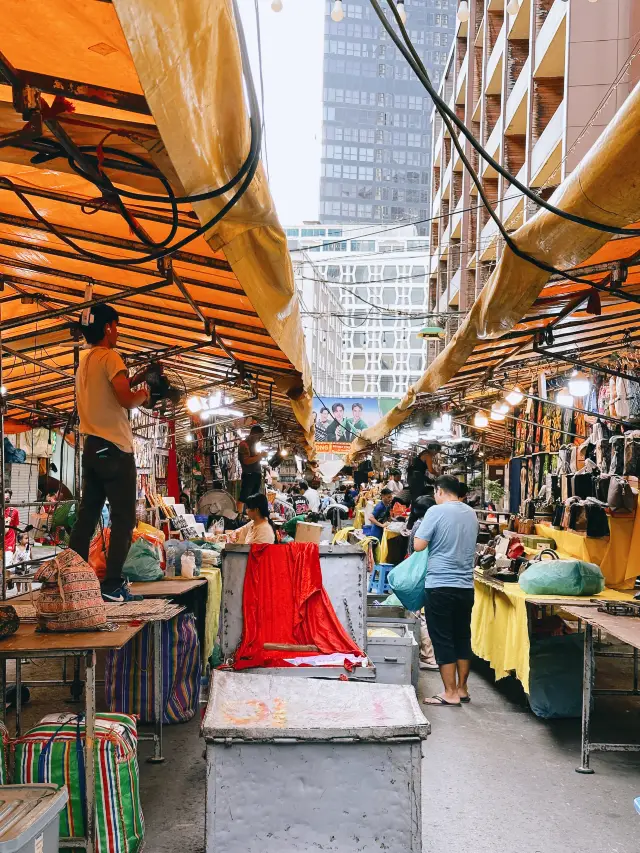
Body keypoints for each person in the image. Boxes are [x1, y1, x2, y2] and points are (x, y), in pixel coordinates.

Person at [68, 304, 149, 602]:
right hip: (114, 449)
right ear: (107, 328)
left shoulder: (83, 364)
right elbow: (125, 397)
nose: (117, 332)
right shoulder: (110, 357)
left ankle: (72, 580)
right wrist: (143, 395)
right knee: (124, 518)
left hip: (91, 448)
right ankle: (113, 584)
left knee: (87, 517)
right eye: (116, 326)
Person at [414, 475, 479, 707]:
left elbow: (418, 545)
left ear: (439, 491)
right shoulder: (471, 513)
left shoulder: (435, 511)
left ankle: (449, 693)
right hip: (465, 586)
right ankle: (462, 688)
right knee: (462, 635)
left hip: (440, 584)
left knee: (442, 638)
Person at [237, 425, 266, 513]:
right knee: (243, 498)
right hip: (249, 474)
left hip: (256, 475)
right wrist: (260, 456)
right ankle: (238, 517)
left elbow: (254, 458)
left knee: (254, 498)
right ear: (253, 434)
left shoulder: (253, 445)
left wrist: (259, 455)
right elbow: (246, 461)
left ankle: (251, 518)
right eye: (259, 436)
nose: (259, 439)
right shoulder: (244, 444)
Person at [3, 489, 19, 559]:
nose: (6, 500)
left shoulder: (14, 511)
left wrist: (15, 543)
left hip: (10, 541)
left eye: (8, 499)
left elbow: (15, 528)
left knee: (8, 562)